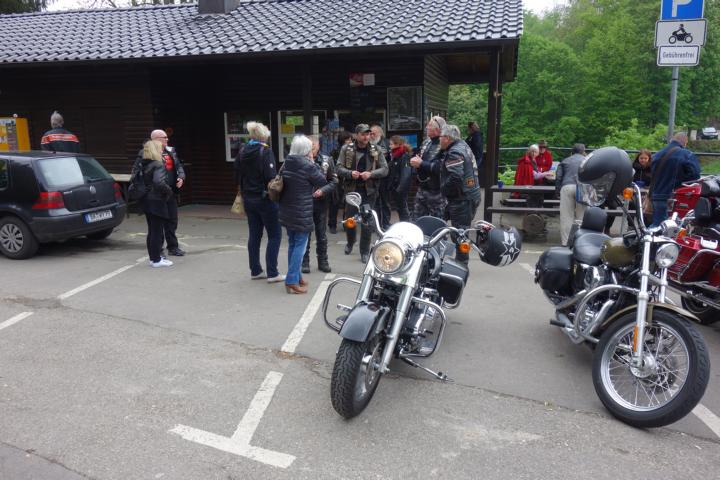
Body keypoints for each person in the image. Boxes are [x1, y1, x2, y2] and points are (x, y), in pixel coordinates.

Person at [236, 121, 285, 283]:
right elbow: (270, 176)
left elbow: (236, 173)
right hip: (265, 198)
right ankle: (273, 273)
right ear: (264, 136)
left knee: (254, 235)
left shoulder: (242, 151)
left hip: (248, 198)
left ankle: (255, 270)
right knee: (275, 235)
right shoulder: (265, 151)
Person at [279, 135, 327, 294]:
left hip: (288, 209)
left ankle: (296, 276)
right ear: (306, 150)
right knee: (300, 245)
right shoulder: (308, 165)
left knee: (293, 243)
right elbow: (322, 181)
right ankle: (291, 280)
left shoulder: (287, 162)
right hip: (302, 210)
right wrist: (312, 162)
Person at [336, 124, 389, 264]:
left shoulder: (376, 149)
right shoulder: (346, 149)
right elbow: (338, 167)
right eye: (363, 134)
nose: (366, 137)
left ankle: (364, 251)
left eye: (368, 134)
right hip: (352, 190)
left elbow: (385, 169)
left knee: (366, 221)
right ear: (356, 135)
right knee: (350, 220)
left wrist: (371, 174)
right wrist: (350, 173)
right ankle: (350, 241)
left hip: (369, 191)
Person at [439, 124, 481, 264]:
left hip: (462, 198)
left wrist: (443, 189)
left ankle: (462, 263)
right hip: (469, 195)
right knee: (459, 231)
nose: (439, 139)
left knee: (460, 234)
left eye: (441, 137)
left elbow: (456, 177)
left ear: (447, 138)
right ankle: (460, 260)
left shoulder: (454, 152)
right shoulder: (463, 146)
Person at [143, 129, 186, 257]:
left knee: (172, 221)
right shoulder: (148, 153)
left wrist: (181, 177)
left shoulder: (170, 151)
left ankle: (173, 247)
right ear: (155, 139)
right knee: (158, 224)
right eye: (164, 137)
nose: (167, 139)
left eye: (167, 137)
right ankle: (158, 250)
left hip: (170, 192)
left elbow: (179, 166)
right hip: (156, 194)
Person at [302, 136, 338, 274]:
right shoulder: (300, 160)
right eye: (309, 144)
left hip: (321, 202)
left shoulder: (326, 160)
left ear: (318, 145)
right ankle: (305, 262)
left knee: (321, 234)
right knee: (305, 234)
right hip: (304, 202)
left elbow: (334, 181)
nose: (312, 147)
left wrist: (323, 190)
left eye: (314, 144)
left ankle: (323, 261)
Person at [650, 132, 701, 226]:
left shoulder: (656, 155)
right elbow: (695, 175)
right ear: (685, 142)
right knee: (675, 227)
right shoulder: (686, 154)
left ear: (671, 140)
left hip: (656, 195)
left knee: (658, 225)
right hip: (675, 196)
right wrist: (681, 182)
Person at [138, 140, 174, 268]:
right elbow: (159, 182)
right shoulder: (158, 164)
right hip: (157, 200)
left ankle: (153, 259)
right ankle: (157, 260)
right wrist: (169, 191)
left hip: (146, 199)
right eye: (160, 148)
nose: (162, 150)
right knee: (157, 231)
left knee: (152, 230)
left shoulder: (142, 164)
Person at [410, 116, 447, 220]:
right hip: (422, 188)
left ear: (437, 130)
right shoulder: (426, 142)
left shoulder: (444, 144)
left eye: (429, 125)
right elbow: (419, 158)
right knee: (417, 221)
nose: (426, 127)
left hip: (437, 191)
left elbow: (441, 167)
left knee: (437, 223)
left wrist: (421, 163)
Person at [555, 143, 587, 245]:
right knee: (581, 217)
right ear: (583, 151)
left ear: (572, 152)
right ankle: (580, 242)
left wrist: (557, 191)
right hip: (582, 188)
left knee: (566, 217)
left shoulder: (565, 161)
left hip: (567, 187)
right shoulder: (587, 161)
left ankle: (565, 243)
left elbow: (558, 177)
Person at [381, 135, 413, 227]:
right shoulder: (395, 155)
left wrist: (400, 188)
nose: (389, 146)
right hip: (395, 186)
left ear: (398, 144)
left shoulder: (404, 156)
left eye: (391, 144)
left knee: (403, 208)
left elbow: (405, 173)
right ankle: (403, 224)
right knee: (399, 207)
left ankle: (406, 226)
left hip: (400, 187)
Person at [328, 130, 353, 234]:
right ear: (342, 140)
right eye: (348, 140)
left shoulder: (352, 151)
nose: (350, 141)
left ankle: (346, 224)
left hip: (349, 179)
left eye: (351, 139)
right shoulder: (335, 152)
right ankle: (332, 224)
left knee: (348, 203)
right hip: (337, 180)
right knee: (335, 203)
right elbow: (332, 166)